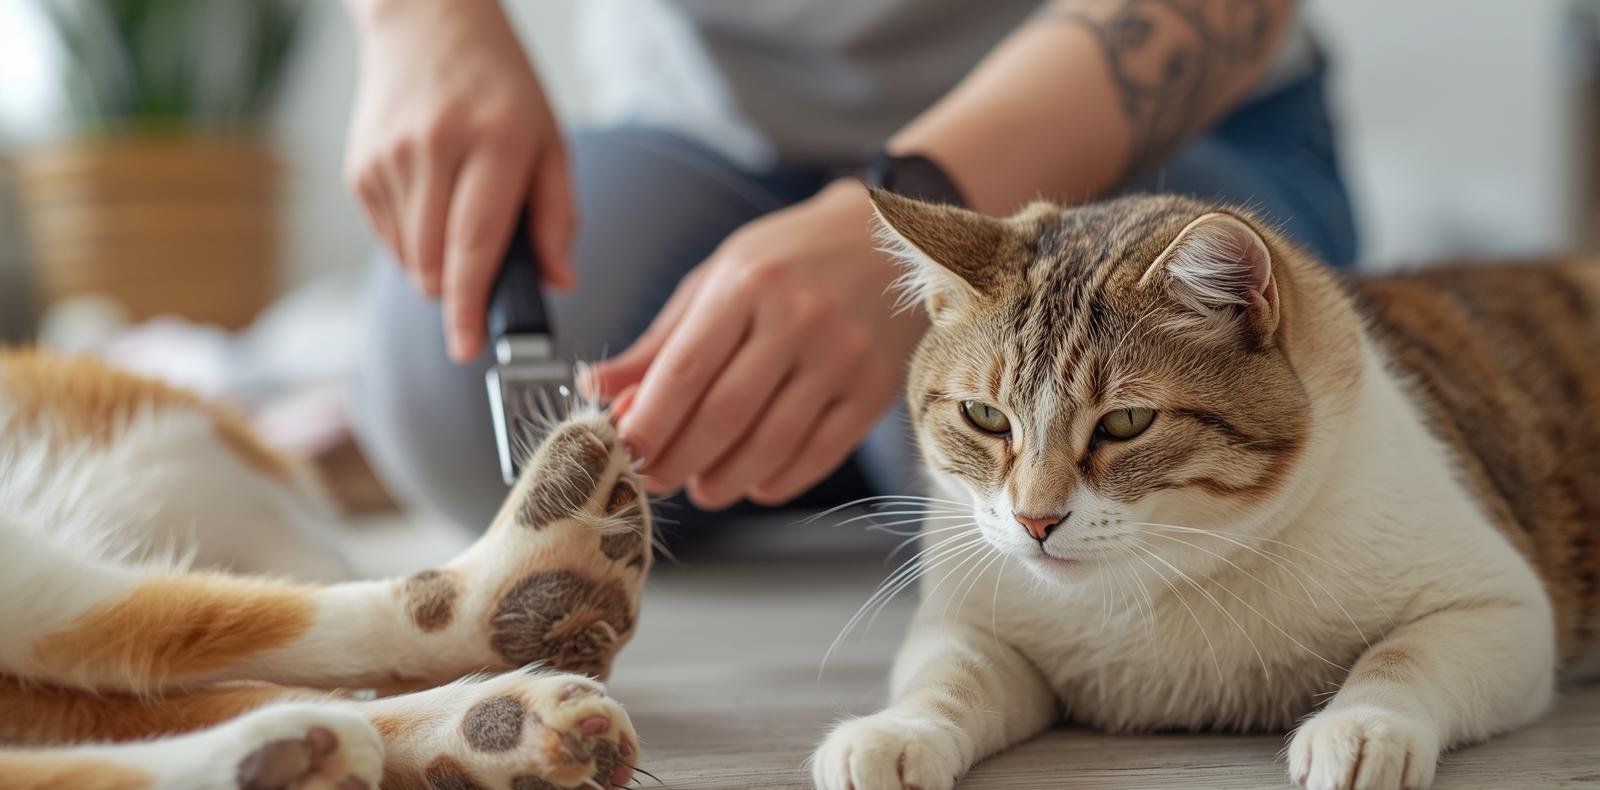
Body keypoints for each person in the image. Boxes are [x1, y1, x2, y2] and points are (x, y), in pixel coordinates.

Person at [343, 0, 1355, 537]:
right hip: (720, 124)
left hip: (1134, 127)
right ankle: (820, 429)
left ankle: (853, 432)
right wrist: (417, 18)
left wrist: (914, 192)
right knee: (451, 410)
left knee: (965, 476)